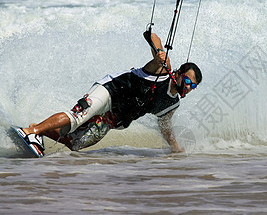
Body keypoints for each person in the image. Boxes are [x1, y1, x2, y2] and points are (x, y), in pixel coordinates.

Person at [18, 31, 202, 155]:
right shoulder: (163, 69)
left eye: (192, 86)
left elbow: (165, 126)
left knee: (76, 143)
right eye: (187, 81)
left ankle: (39, 129)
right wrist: (159, 52)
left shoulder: (172, 104)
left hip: (116, 116)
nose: (187, 87)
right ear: (178, 73)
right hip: (110, 91)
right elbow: (152, 36)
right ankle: (31, 132)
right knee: (78, 116)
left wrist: (175, 149)